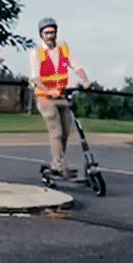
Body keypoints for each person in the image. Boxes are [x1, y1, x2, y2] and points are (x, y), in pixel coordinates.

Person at [29, 16, 89, 177]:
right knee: (56, 131)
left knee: (65, 131)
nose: (50, 36)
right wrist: (49, 92)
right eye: (47, 33)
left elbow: (76, 66)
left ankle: (59, 163)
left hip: (62, 97)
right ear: (41, 35)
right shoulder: (37, 53)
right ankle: (59, 164)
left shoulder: (63, 50)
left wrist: (85, 80)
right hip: (45, 98)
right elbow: (35, 79)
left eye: (52, 32)